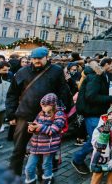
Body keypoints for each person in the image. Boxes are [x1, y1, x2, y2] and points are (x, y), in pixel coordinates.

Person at [6, 47, 72, 176]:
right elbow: (12, 94)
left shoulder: (56, 71)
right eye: (34, 58)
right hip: (25, 115)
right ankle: (14, 176)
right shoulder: (22, 72)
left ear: (47, 58)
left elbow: (64, 92)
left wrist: (63, 112)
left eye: (39, 58)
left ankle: (44, 176)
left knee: (45, 151)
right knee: (18, 149)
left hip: (47, 118)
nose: (36, 61)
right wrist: (11, 114)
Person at [72, 60, 112, 175]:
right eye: (111, 65)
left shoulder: (101, 75)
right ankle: (78, 159)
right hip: (92, 113)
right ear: (105, 65)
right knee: (95, 140)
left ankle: (92, 159)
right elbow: (91, 96)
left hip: (97, 112)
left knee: (97, 138)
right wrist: (110, 98)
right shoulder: (96, 77)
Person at [24, 93, 66, 184]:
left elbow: (54, 129)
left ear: (52, 105)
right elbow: (36, 124)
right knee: (29, 167)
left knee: (46, 164)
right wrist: (31, 128)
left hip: (49, 146)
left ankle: (48, 179)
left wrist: (39, 127)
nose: (42, 108)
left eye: (45, 106)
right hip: (35, 145)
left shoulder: (59, 114)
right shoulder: (40, 113)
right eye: (42, 106)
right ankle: (31, 181)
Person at [90, 103, 112, 184]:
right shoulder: (101, 127)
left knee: (111, 179)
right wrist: (104, 133)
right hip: (100, 158)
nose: (111, 116)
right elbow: (94, 142)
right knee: (96, 177)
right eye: (110, 114)